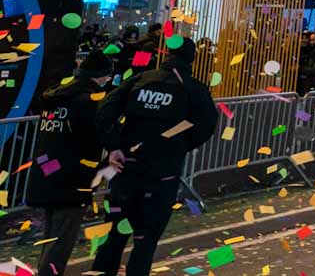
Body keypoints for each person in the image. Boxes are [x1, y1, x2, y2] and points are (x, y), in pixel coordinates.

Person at [94, 37, 218, 276]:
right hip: (162, 174)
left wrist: (114, 146)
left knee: (113, 236)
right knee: (146, 239)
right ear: (192, 59)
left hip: (126, 170)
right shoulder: (193, 89)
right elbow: (206, 126)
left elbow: (105, 110)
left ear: (167, 54)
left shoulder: (140, 80)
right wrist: (178, 145)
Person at [30, 50, 114, 276]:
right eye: (107, 77)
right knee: (61, 240)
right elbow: (99, 136)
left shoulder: (55, 97)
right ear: (100, 76)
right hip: (72, 177)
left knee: (51, 236)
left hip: (46, 172)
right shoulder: (90, 102)